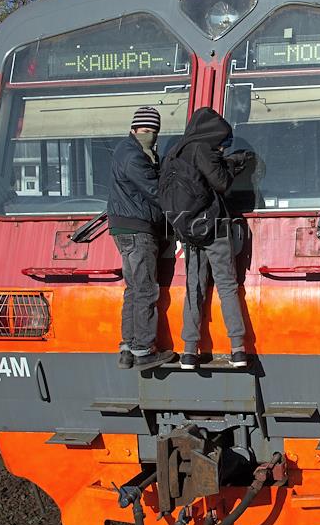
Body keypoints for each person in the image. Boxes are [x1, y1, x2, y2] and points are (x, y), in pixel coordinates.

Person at [161, 107, 254, 370]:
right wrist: (233, 164)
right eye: (222, 143)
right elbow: (221, 182)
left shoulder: (175, 153)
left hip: (188, 228)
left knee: (194, 288)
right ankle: (238, 348)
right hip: (214, 227)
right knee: (227, 286)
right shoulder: (203, 149)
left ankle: (189, 351)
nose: (222, 149)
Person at [107, 106, 172, 371]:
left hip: (124, 228)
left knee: (133, 290)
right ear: (134, 129)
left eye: (155, 131)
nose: (151, 136)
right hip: (137, 229)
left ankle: (128, 348)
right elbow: (155, 191)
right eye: (146, 131)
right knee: (145, 289)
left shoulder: (129, 151)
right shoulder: (133, 156)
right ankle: (144, 351)